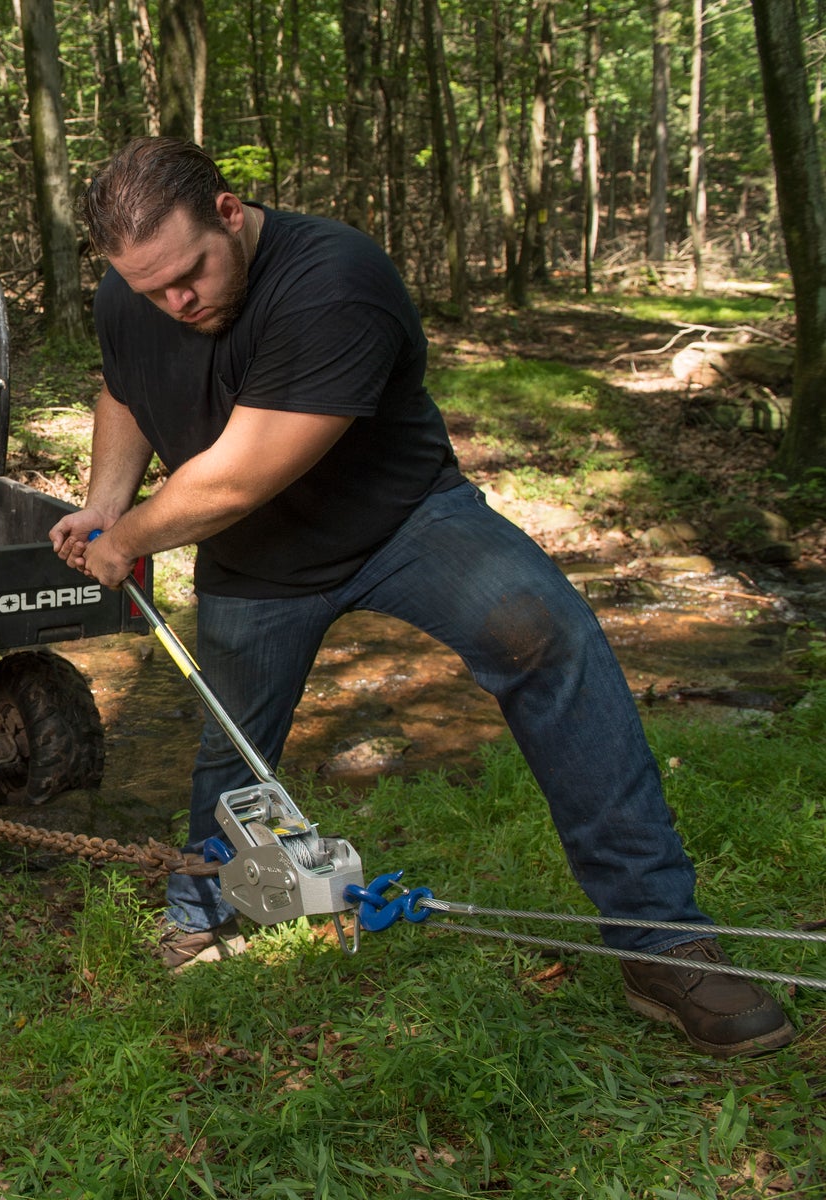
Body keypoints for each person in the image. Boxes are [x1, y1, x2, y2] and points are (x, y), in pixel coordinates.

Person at [48, 136, 794, 1059]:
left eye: (188, 275)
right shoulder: (134, 288)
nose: (175, 302)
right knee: (233, 750)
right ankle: (204, 915)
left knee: (547, 637)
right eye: (150, 288)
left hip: (403, 520)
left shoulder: (335, 278)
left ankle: (660, 940)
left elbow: (236, 479)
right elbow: (124, 385)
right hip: (255, 561)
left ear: (230, 212)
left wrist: (126, 541)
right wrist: (105, 500)